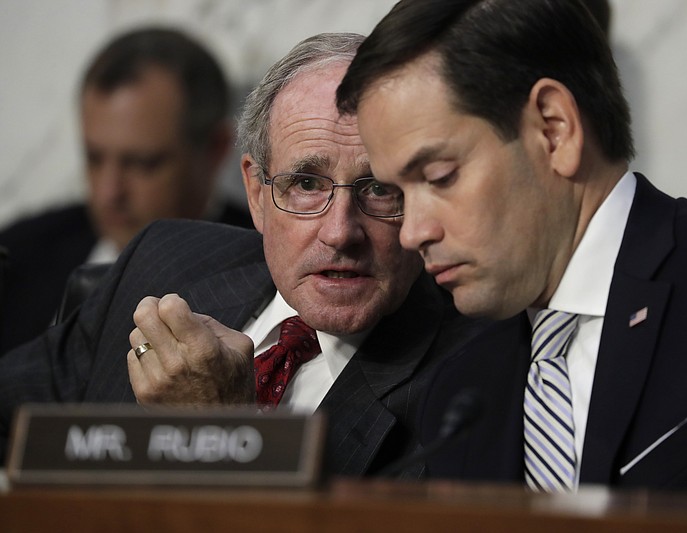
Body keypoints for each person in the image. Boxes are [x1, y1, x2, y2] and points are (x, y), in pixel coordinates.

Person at [336, 0, 687, 493]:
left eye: (439, 177)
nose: (412, 233)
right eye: (396, 193)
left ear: (554, 129)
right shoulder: (461, 392)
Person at [0, 32, 511, 478]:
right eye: (306, 183)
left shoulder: (470, 384)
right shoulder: (163, 261)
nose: (339, 232)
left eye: (378, 188)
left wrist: (226, 433)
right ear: (256, 192)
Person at [0, 27, 252, 355]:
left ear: (215, 149)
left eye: (142, 164)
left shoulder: (262, 266)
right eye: (94, 158)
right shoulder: (22, 254)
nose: (108, 192)